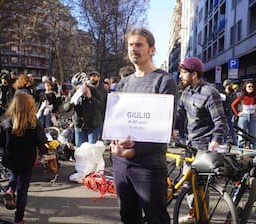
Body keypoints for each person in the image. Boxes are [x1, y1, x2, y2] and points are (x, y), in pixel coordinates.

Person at [109, 27, 177, 224]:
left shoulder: (164, 81)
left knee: (156, 218)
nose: (133, 49)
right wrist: (113, 144)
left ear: (152, 50)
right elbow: (115, 123)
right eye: (131, 45)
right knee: (128, 217)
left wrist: (134, 151)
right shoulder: (124, 84)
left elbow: (164, 129)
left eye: (139, 44)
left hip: (148, 167)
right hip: (121, 165)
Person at [0, 92, 47, 224]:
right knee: (23, 190)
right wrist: (43, 153)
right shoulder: (35, 123)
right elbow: (40, 141)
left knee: (14, 173)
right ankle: (18, 219)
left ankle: (10, 190)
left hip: (10, 158)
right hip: (27, 160)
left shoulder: (7, 122)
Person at [69, 72, 105, 147]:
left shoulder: (94, 90)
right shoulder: (73, 92)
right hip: (79, 125)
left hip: (93, 124)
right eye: (76, 87)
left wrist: (90, 97)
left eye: (79, 87)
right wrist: (71, 102)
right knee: (80, 150)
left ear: (85, 84)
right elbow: (65, 108)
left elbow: (101, 106)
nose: (78, 89)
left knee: (91, 149)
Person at [231, 80, 256, 149]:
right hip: (243, 116)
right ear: (245, 88)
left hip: (252, 116)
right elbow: (233, 105)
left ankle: (253, 149)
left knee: (252, 134)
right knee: (241, 135)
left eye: (252, 86)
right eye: (249, 86)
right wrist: (237, 113)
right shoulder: (242, 96)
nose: (251, 88)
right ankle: (240, 150)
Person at [87, 70, 107, 140]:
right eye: (91, 76)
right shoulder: (87, 89)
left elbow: (104, 104)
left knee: (96, 143)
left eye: (94, 76)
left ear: (98, 78)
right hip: (87, 119)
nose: (92, 78)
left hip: (98, 119)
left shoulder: (103, 90)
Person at [221, 79, 238, 145]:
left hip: (231, 114)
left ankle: (235, 142)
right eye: (231, 84)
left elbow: (235, 104)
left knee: (232, 129)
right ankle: (224, 142)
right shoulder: (222, 94)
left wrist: (235, 113)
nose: (232, 86)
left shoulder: (234, 94)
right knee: (225, 129)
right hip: (224, 114)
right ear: (227, 85)